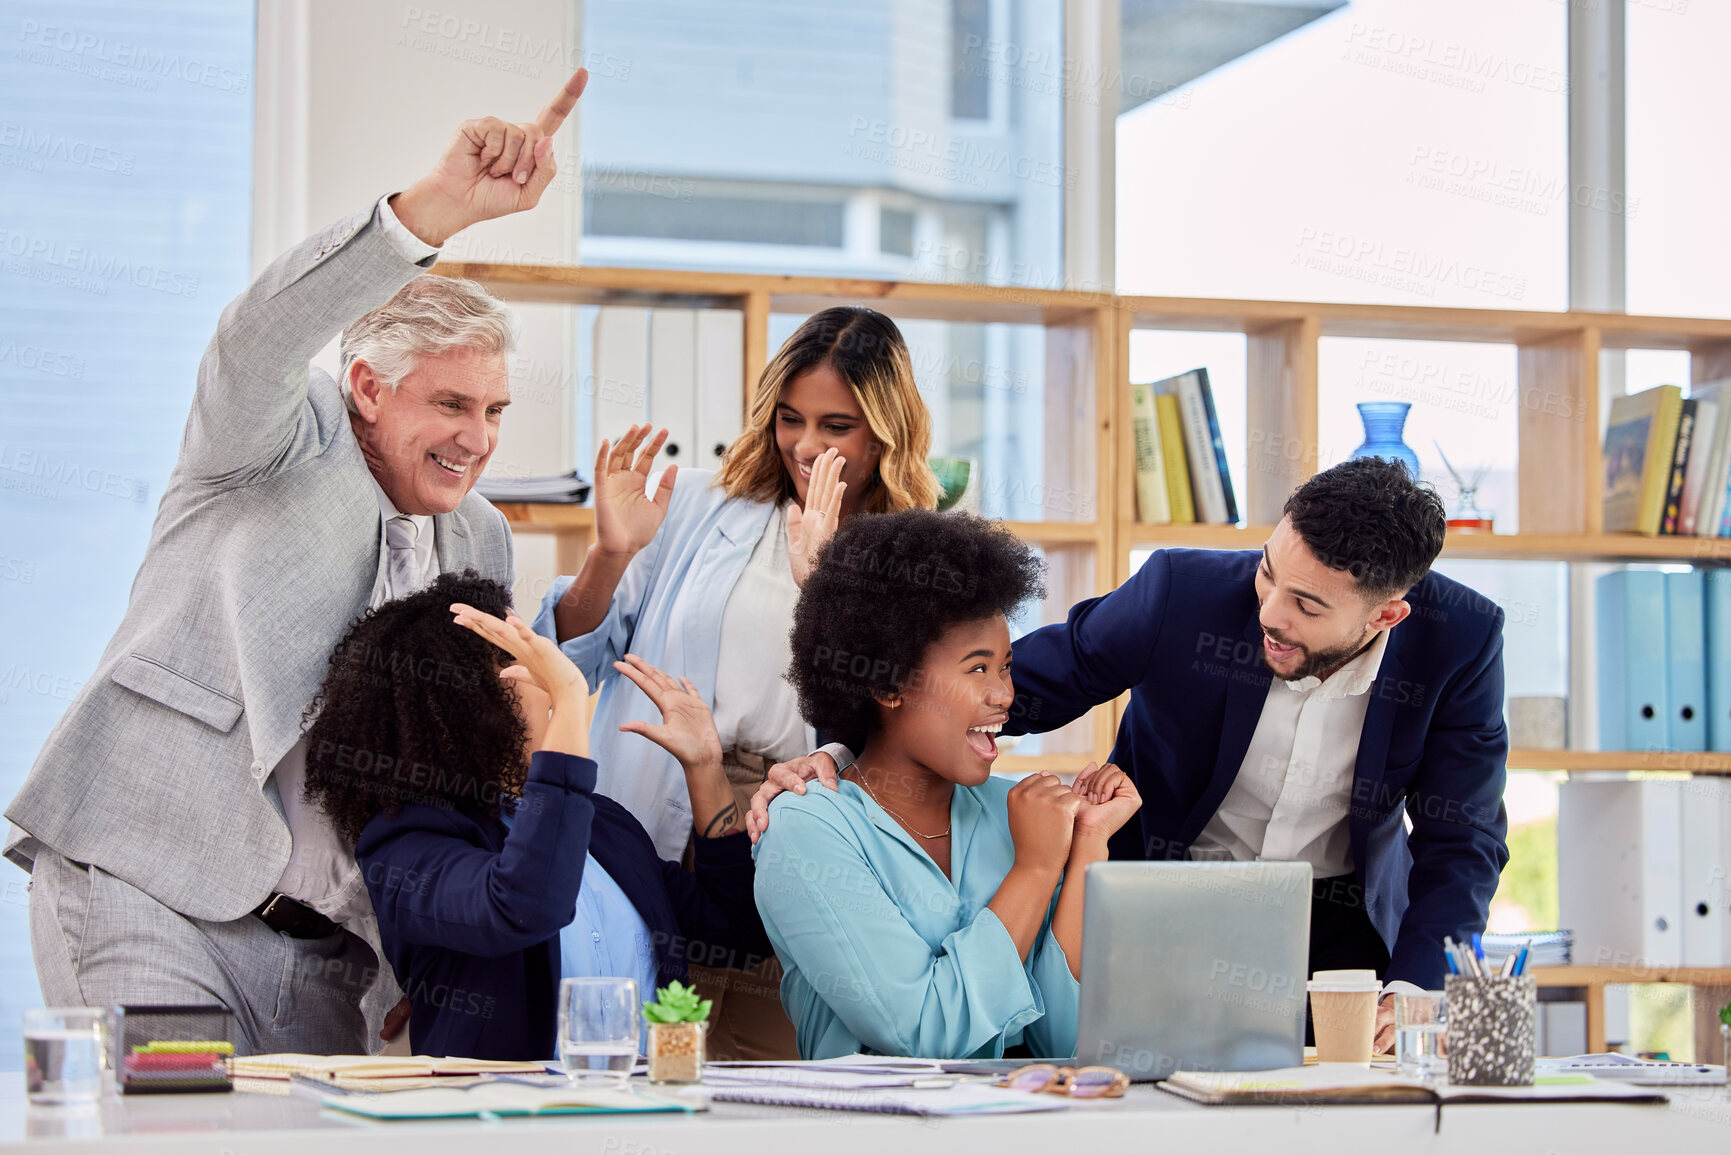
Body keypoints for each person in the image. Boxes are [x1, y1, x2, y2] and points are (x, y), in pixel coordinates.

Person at [4, 68, 592, 1054]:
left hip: (336, 951)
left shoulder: (481, 537)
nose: (476, 439)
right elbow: (256, 340)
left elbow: (455, 757)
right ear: (367, 386)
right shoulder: (274, 437)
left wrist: (423, 952)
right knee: (166, 1136)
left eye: (493, 412)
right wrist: (434, 211)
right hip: (158, 891)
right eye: (448, 406)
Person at [750, 457, 1509, 1053]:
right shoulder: (1183, 594)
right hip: (1158, 902)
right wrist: (848, 744)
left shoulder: (1460, 641)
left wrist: (1415, 983)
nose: (1268, 613)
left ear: (1386, 613)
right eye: (1268, 572)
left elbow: (1462, 837)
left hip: (1335, 917)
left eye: (1306, 606)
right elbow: (1014, 682)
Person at [531, 306, 939, 1056]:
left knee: (762, 1061)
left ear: (886, 429)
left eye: (835, 425)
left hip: (789, 820)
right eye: (790, 419)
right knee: (634, 1052)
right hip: (653, 794)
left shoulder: (914, 550)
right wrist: (611, 553)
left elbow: (903, 724)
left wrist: (822, 578)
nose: (806, 446)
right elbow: (572, 657)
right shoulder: (696, 499)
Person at [300, 572, 769, 1061]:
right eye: (522, 662)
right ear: (464, 702)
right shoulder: (405, 844)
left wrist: (705, 768)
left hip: (645, 1116)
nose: (549, 678)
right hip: (510, 1128)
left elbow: (737, 932)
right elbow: (525, 904)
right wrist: (570, 698)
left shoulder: (604, 825)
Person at [753, 509, 1142, 1060]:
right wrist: (1034, 870)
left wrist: (1083, 851)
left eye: (1006, 666)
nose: (1004, 694)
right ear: (888, 684)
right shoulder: (806, 831)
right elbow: (922, 1035)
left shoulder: (1015, 811)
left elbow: (1072, 1042)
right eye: (977, 669)